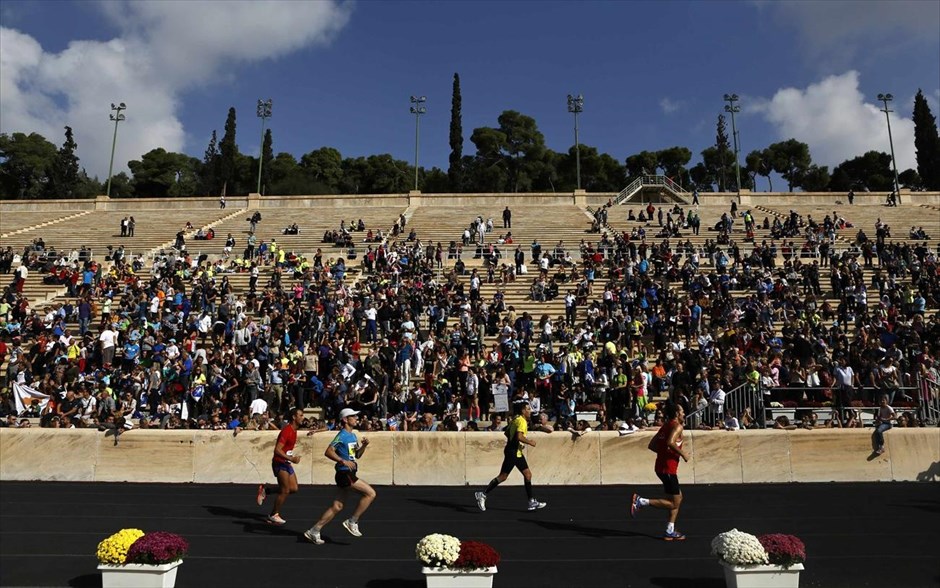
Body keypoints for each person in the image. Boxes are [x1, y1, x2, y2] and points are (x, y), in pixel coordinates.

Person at [304, 408, 376, 545]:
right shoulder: (342, 435)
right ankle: (352, 521)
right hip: (344, 473)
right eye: (353, 416)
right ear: (345, 419)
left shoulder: (353, 436)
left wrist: (364, 446)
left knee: (337, 506)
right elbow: (328, 451)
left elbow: (356, 456)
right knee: (370, 493)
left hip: (350, 472)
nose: (356, 418)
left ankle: (314, 530)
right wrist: (342, 461)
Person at [630, 401, 690, 541]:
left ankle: (670, 530)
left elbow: (652, 445)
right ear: (676, 414)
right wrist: (683, 454)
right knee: (674, 502)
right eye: (682, 412)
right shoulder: (677, 426)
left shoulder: (665, 426)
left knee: (677, 498)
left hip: (662, 467)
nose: (684, 414)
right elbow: (670, 442)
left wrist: (663, 453)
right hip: (668, 469)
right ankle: (641, 501)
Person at [474, 400, 547, 512]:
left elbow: (507, 433)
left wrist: (514, 442)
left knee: (527, 475)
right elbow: (519, 436)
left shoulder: (516, 419)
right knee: (503, 476)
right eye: (528, 409)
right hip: (512, 452)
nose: (530, 411)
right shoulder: (521, 421)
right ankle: (483, 494)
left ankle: (531, 501)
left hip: (516, 452)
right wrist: (530, 442)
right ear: (523, 411)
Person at [261, 407, 304, 525]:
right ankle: (273, 514)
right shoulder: (287, 430)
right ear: (294, 417)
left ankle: (267, 490)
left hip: (286, 462)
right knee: (285, 490)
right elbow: (277, 450)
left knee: (293, 488)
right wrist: (291, 458)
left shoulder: (295, 430)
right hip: (280, 462)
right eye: (300, 415)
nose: (303, 417)